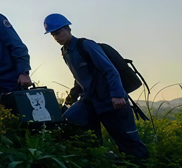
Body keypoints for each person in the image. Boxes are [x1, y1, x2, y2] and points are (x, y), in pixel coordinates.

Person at [43, 13, 149, 162]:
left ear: (68, 28)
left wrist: (118, 95)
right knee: (70, 121)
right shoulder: (65, 52)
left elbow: (110, 70)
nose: (56, 36)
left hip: (111, 101)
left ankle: (143, 163)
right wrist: (73, 94)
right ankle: (102, 159)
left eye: (58, 32)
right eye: (53, 34)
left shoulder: (85, 45)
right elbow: (80, 77)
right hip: (91, 101)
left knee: (129, 143)